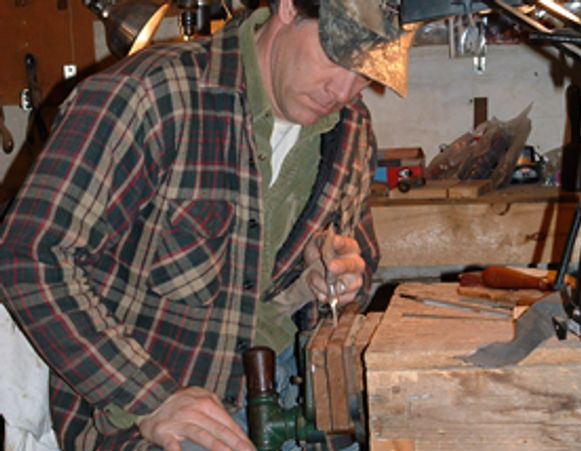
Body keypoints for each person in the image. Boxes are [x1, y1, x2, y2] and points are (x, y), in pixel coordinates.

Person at [0, 0, 413, 449]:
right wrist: (150, 398)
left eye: (366, 76)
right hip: (146, 408)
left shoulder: (350, 129)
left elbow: (362, 258)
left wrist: (335, 274)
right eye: (336, 57)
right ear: (290, 8)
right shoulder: (150, 96)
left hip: (289, 388)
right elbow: (29, 256)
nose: (344, 90)